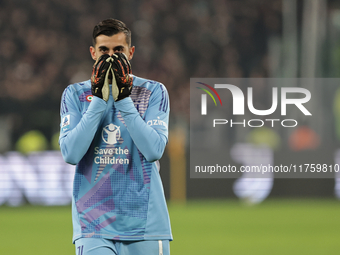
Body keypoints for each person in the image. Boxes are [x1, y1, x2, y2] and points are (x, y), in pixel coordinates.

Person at [59, 18, 172, 255]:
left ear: (130, 53)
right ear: (93, 53)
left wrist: (122, 100)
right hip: (93, 226)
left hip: (145, 224)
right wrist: (99, 101)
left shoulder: (153, 91)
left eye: (118, 50)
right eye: (104, 50)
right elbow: (70, 153)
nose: (111, 57)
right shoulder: (75, 94)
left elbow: (154, 150)